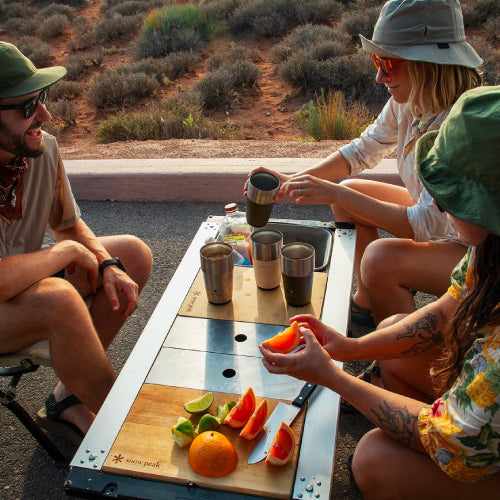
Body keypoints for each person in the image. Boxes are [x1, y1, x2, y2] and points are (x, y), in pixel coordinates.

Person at [260, 85, 500, 497]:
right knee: (391, 330)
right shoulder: (489, 248)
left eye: (455, 197)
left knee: (373, 460)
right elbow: (444, 313)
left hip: (468, 442)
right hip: (480, 418)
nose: (440, 207)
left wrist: (334, 378)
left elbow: (452, 443)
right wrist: (350, 348)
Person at [246, 0, 482, 326]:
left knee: (379, 259)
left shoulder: (459, 126)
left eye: (389, 63)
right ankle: (371, 302)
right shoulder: (411, 100)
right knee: (351, 189)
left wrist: (334, 194)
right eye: (377, 60)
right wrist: (292, 180)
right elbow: (361, 152)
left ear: (428, 63)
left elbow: (426, 226)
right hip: (445, 228)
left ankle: (396, 364)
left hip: (478, 256)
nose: (379, 75)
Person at [0, 42, 153, 443]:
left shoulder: (41, 148)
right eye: (26, 106)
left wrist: (105, 263)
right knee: (58, 299)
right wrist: (63, 253)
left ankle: (68, 397)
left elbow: (68, 225)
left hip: (26, 284)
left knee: (129, 256)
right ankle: (128, 431)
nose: (44, 115)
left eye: (42, 99)